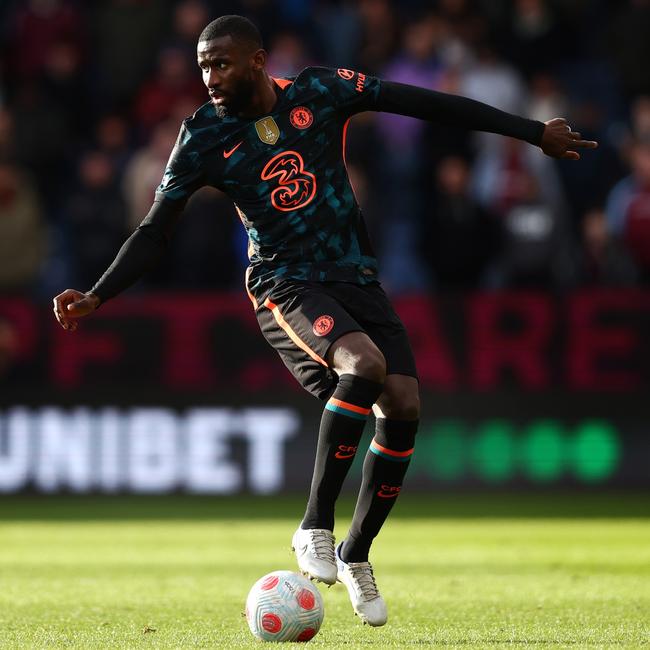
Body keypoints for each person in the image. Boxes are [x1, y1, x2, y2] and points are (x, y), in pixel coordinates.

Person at [52, 15, 597, 627]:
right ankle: (313, 525)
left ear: (257, 61)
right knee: (364, 366)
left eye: (221, 63)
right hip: (283, 285)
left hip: (355, 276)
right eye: (203, 64)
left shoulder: (321, 89)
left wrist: (528, 132)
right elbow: (155, 230)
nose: (209, 76)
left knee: (406, 404)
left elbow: (421, 102)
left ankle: (355, 553)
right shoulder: (202, 136)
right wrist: (99, 294)